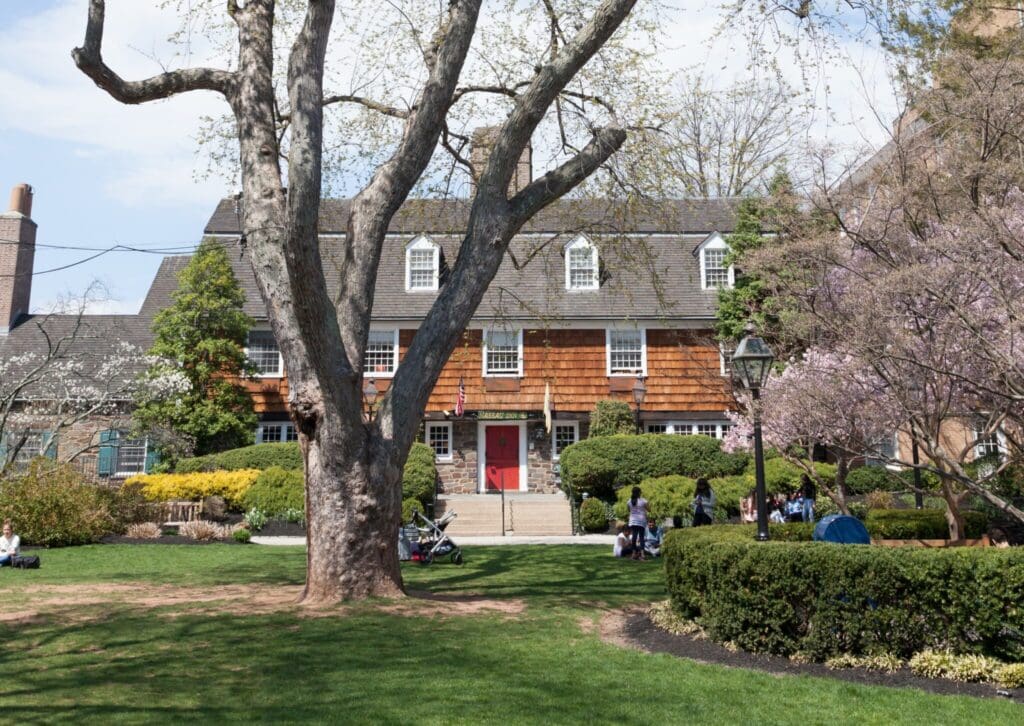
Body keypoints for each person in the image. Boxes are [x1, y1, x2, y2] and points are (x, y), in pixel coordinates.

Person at [626, 486, 649, 560]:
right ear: (639, 493)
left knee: (634, 537)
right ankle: (642, 555)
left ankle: (633, 554)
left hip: (633, 521)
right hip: (641, 521)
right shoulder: (643, 501)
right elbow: (649, 509)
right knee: (641, 537)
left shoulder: (629, 501)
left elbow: (629, 510)